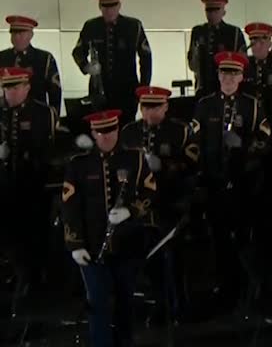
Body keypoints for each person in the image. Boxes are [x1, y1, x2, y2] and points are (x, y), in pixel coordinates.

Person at [62, 109, 157, 347]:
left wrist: (131, 211)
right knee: (98, 302)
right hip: (93, 245)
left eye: (111, 130)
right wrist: (75, 244)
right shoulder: (78, 165)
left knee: (125, 300)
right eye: (101, 132)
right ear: (93, 133)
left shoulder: (134, 158)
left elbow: (150, 191)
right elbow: (70, 207)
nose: (107, 136)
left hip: (128, 243)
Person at [192, 51, 272, 312]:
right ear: (217, 75)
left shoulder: (252, 104)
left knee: (243, 236)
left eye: (234, 73)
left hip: (244, 182)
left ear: (242, 77)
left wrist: (246, 146)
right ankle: (224, 285)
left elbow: (265, 139)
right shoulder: (205, 104)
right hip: (214, 181)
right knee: (218, 236)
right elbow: (194, 141)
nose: (228, 78)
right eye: (224, 73)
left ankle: (248, 287)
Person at [120, 86, 199, 322]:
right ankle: (159, 305)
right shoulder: (129, 132)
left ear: (166, 106)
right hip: (141, 208)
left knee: (174, 259)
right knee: (148, 260)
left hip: (170, 202)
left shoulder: (180, 131)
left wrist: (166, 165)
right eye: (145, 107)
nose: (149, 112)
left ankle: (180, 306)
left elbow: (193, 162)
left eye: (155, 107)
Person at [0, 66, 57, 298]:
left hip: (33, 185)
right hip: (5, 187)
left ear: (26, 87)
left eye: (14, 88)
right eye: (5, 88)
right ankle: (17, 275)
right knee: (9, 235)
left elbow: (46, 150)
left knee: (34, 233)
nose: (9, 93)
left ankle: (37, 279)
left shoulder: (42, 113)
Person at [72, 0, 152, 119]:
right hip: (99, 90)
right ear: (100, 7)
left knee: (126, 126)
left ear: (119, 6)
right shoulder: (91, 26)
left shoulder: (133, 26)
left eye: (113, 6)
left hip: (127, 89)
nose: (109, 11)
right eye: (105, 7)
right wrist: (86, 66)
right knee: (102, 127)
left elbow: (146, 57)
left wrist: (143, 88)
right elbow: (78, 51)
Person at [187, 0, 247, 98]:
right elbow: (192, 63)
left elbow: (243, 63)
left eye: (216, 10)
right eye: (208, 10)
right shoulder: (198, 31)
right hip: (203, 88)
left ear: (223, 12)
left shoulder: (233, 33)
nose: (212, 14)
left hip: (226, 87)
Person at [0, 14, 62, 114]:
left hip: (37, 116)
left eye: (21, 34)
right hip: (6, 116)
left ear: (30, 35)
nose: (16, 37)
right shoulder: (2, 57)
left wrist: (53, 117)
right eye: (13, 34)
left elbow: (55, 92)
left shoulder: (44, 58)